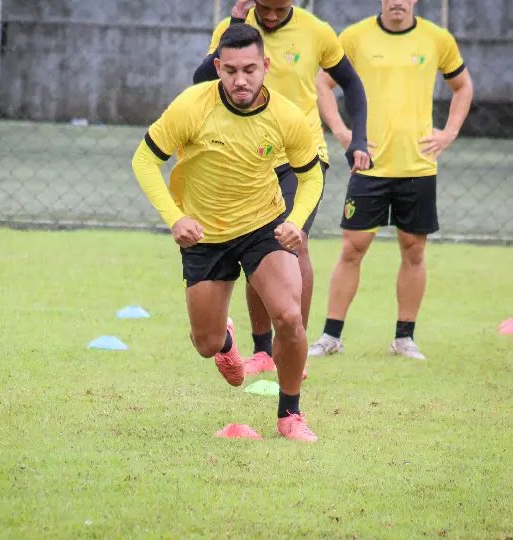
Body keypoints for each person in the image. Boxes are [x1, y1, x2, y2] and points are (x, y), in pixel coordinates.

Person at [131, 24, 324, 440]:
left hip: (262, 226)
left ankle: (290, 413)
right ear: (217, 67)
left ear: (266, 67)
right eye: (231, 69)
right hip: (205, 235)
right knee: (204, 342)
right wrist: (174, 217)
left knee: (289, 316)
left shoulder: (287, 116)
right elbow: (145, 160)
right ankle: (225, 343)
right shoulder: (191, 106)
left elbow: (311, 177)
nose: (241, 79)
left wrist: (295, 221)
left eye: (250, 69)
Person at [193, 0, 371, 374]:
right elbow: (200, 83)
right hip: (247, 158)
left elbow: (353, 84)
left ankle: (293, 344)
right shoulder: (234, 30)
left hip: (300, 156)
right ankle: (262, 349)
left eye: (278, 9)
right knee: (252, 245)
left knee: (291, 241)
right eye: (264, 8)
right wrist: (237, 19)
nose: (270, 16)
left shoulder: (316, 31)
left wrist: (359, 138)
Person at [308, 0, 473, 360]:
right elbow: (322, 82)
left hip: (417, 166)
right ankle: (330, 336)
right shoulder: (354, 37)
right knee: (352, 248)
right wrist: (342, 131)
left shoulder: (437, 39)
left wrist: (449, 132)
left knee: (414, 250)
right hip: (368, 164)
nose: (397, 1)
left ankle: (404, 338)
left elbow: (463, 87)